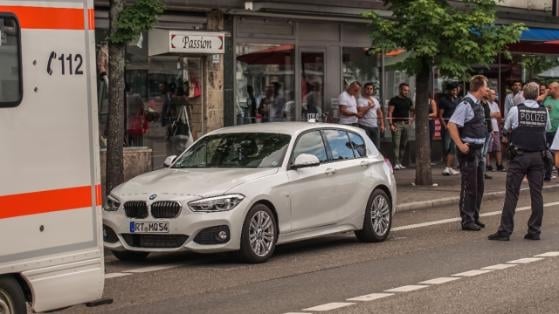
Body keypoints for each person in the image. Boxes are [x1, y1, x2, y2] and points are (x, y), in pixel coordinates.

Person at [488, 82, 551, 241]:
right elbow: (547, 128)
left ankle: (505, 231)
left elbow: (507, 128)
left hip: (519, 156)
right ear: (537, 95)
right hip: (538, 156)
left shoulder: (516, 110)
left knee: (512, 193)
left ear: (523, 94)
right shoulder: (544, 111)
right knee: (536, 194)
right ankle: (534, 231)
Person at [447, 75, 490, 231]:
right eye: (486, 86)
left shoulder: (478, 103)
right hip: (469, 151)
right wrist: (459, 144)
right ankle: (467, 219)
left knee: (479, 186)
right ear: (479, 88)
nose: (487, 89)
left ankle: (474, 216)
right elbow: (451, 125)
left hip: (479, 151)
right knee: (470, 186)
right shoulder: (466, 104)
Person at [388, 83, 415, 170]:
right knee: (396, 144)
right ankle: (396, 163)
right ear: (400, 90)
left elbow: (412, 111)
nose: (406, 92)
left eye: (407, 90)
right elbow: (390, 112)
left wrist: (411, 121)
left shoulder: (409, 100)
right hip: (397, 124)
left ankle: (400, 162)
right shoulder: (394, 100)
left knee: (404, 144)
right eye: (404, 90)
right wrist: (391, 124)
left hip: (406, 124)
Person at [439, 83, 460, 176]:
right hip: (447, 127)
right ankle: (446, 166)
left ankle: (450, 167)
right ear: (449, 90)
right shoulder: (443, 100)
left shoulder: (458, 100)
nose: (454, 91)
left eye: (455, 89)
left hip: (455, 127)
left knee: (453, 147)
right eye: (452, 90)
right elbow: (440, 115)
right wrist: (445, 126)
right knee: (446, 147)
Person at [357, 82, 385, 147]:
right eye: (368, 88)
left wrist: (382, 125)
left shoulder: (375, 100)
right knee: (366, 146)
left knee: (376, 146)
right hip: (364, 125)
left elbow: (379, 112)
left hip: (375, 126)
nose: (369, 90)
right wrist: (369, 107)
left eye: (371, 89)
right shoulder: (360, 100)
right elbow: (360, 111)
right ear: (364, 89)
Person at [543, 82, 559, 180]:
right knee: (546, 152)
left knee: (556, 153)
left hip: (557, 131)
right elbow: (537, 101)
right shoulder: (546, 98)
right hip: (546, 130)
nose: (548, 90)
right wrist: (545, 94)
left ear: (557, 89)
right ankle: (547, 174)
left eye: (550, 88)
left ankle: (556, 172)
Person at [486, 89, 504, 172]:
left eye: (494, 94)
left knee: (498, 147)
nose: (493, 96)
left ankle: (499, 164)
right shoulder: (485, 104)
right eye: (492, 94)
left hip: (496, 128)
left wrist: (493, 114)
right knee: (488, 148)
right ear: (488, 95)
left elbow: (499, 115)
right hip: (488, 128)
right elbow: (487, 115)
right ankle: (488, 165)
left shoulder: (495, 104)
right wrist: (494, 114)